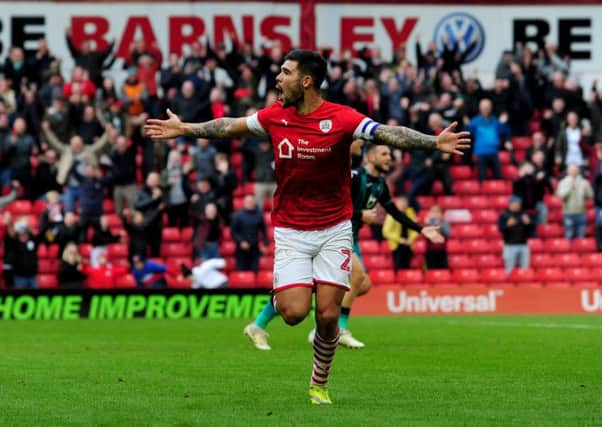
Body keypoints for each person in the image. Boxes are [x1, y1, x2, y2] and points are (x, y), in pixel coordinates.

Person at [144, 49, 470, 405]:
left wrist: (432, 141)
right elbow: (230, 126)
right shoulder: (275, 117)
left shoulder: (343, 118)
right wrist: (185, 129)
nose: (278, 79)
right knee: (295, 313)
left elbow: (386, 133)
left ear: (306, 81)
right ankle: (287, 293)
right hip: (291, 231)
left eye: (285, 73)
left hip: (334, 229)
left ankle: (319, 384)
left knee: (329, 317)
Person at [244, 142, 444, 350]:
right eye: (384, 153)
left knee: (361, 285)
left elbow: (394, 211)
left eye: (390, 155)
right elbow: (331, 204)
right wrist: (360, 215)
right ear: (370, 157)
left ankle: (261, 324)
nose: (389, 158)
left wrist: (421, 229)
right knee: (355, 278)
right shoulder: (355, 178)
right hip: (334, 236)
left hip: (351, 238)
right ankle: (338, 329)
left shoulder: (380, 184)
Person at [556, 163, 593, 240]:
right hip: (568, 213)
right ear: (568, 171)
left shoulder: (584, 182)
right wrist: (570, 187)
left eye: (575, 170)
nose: (573, 172)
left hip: (581, 212)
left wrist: (586, 190)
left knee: (581, 236)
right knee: (569, 235)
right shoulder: (563, 182)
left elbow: (590, 195)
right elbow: (560, 195)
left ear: (578, 171)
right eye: (571, 170)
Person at [498, 196, 534, 274]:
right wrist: (508, 225)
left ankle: (524, 285)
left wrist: (529, 223)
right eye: (516, 203)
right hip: (510, 245)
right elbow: (501, 229)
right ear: (510, 204)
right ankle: (508, 284)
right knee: (509, 269)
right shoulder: (504, 215)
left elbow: (532, 230)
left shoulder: (524, 214)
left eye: (519, 203)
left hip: (523, 245)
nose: (518, 205)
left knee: (525, 270)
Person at [383, 195, 419, 271]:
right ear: (397, 203)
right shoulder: (392, 214)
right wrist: (400, 240)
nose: (403, 204)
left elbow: (416, 228)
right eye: (401, 202)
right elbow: (386, 231)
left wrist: (411, 239)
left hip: (408, 245)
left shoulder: (410, 213)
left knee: (408, 266)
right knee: (398, 267)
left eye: (405, 202)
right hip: (397, 245)